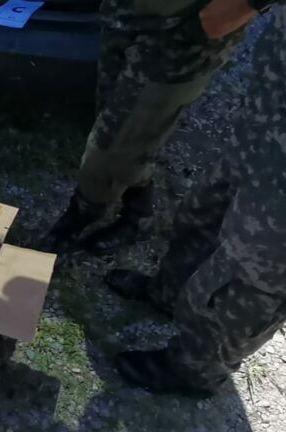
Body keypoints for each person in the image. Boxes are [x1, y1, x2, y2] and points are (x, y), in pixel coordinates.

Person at [105, 4, 285, 397]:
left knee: (254, 270)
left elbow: (214, 22)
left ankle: (194, 370)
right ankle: (169, 292)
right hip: (270, 117)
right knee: (205, 209)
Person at [42, 0, 267, 255]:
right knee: (120, 128)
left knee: (112, 145)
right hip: (126, 12)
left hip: (181, 35)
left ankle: (76, 222)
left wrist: (233, 10)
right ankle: (138, 215)